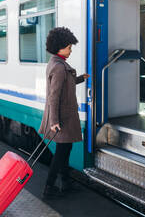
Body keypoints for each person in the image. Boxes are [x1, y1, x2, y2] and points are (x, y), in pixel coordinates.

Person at [38, 27, 89, 199]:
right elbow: (54, 96)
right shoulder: (59, 67)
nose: (70, 50)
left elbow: (68, 82)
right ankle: (49, 187)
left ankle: (65, 183)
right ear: (59, 47)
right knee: (61, 153)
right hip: (62, 118)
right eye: (68, 47)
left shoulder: (56, 63)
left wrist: (82, 78)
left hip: (63, 117)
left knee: (65, 150)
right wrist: (54, 121)